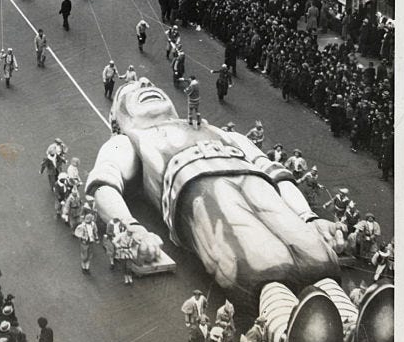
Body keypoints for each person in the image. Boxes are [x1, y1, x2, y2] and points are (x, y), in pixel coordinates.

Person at [86, 79, 340, 291]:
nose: (143, 83)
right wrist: (133, 229)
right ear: (117, 122)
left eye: (148, 82)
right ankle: (280, 314)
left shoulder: (224, 134)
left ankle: (340, 306)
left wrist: (308, 217)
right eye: (129, 91)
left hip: (256, 184)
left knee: (316, 254)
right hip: (203, 195)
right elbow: (104, 185)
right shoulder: (130, 140)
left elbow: (276, 175)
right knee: (261, 263)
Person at [74, 210, 100, 274]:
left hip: (91, 242)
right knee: (84, 256)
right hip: (84, 243)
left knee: (89, 255)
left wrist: (96, 238)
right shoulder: (82, 226)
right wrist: (82, 237)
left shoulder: (93, 224)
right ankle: (83, 267)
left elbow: (95, 231)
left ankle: (87, 268)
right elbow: (77, 233)